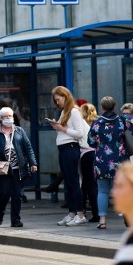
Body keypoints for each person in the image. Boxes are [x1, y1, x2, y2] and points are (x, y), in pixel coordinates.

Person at [88, 96, 133, 229]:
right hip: (121, 161)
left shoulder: (96, 122)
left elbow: (90, 141)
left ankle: (102, 221)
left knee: (103, 191)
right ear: (114, 107)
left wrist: (101, 145)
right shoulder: (122, 120)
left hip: (101, 163)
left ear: (102, 107)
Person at [0, 107, 38, 228]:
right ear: (1, 119)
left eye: (10, 116)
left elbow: (28, 148)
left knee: (17, 195)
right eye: (6, 117)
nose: (9, 118)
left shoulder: (20, 131)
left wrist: (33, 163)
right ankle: (0, 213)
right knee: (4, 193)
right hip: (3, 169)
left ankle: (15, 220)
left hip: (19, 168)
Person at [49, 86, 87, 226]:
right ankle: (72, 213)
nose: (57, 103)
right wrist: (57, 126)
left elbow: (80, 133)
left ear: (65, 97)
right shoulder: (65, 111)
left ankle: (80, 214)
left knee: (73, 182)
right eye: (55, 100)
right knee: (69, 183)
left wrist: (62, 128)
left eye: (58, 100)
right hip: (64, 148)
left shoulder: (74, 111)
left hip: (71, 148)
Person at [79, 102, 100, 222]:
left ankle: (92, 213)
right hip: (98, 155)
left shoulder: (81, 124)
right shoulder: (98, 123)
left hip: (86, 154)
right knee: (96, 185)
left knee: (88, 185)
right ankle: (98, 213)